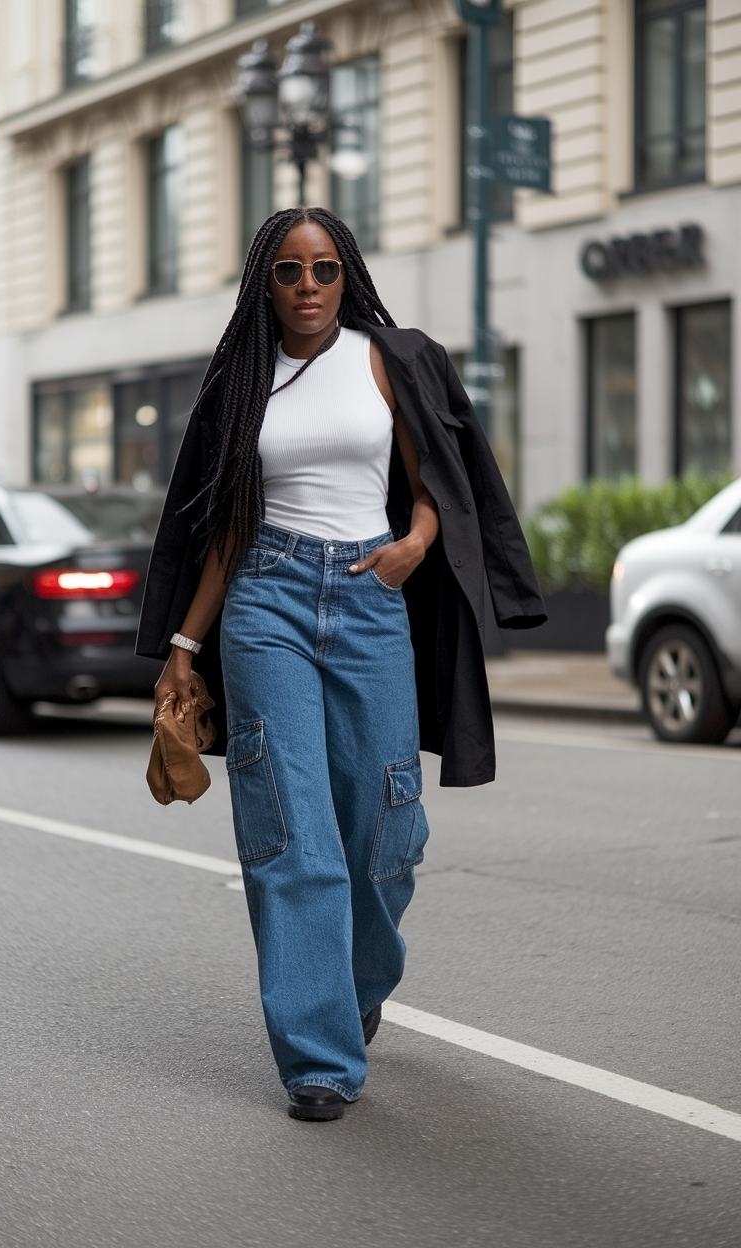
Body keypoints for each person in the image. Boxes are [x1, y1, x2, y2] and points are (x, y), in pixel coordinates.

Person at [137, 206, 546, 1121]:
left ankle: (355, 984)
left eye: (324, 268)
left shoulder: (392, 358)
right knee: (294, 834)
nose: (309, 286)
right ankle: (319, 1059)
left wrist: (416, 545)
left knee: (387, 834)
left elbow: (440, 481)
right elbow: (228, 526)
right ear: (266, 283)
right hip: (266, 601)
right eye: (289, 270)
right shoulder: (245, 379)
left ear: (346, 274)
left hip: (369, 599)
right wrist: (183, 649)